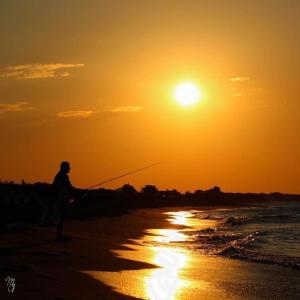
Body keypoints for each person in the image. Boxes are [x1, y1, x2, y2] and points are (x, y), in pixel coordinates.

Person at [52, 161, 74, 242]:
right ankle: (59, 236)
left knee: (61, 217)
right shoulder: (62, 177)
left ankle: (59, 235)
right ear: (65, 168)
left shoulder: (60, 176)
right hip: (61, 200)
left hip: (61, 199)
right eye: (68, 167)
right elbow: (64, 187)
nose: (69, 169)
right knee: (61, 217)